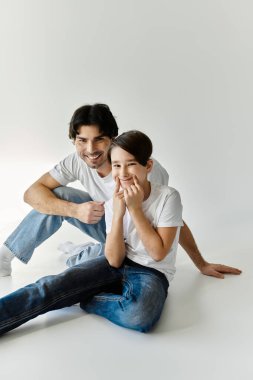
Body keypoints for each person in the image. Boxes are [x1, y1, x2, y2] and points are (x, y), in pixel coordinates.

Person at [0, 104, 241, 279]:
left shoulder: (145, 170)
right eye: (82, 140)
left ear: (113, 139)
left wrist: (201, 263)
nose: (90, 149)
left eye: (99, 140)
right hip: (108, 227)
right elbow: (31, 194)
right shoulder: (76, 161)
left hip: (137, 246)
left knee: (92, 266)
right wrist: (75, 210)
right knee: (60, 195)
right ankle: (4, 258)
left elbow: (173, 221)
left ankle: (84, 252)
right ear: (74, 141)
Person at [0, 130, 184, 335]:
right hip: (116, 261)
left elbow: (158, 254)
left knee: (138, 314)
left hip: (152, 272)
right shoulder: (115, 198)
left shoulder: (168, 197)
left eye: (130, 164)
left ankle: (84, 298)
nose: (122, 173)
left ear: (147, 166)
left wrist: (135, 209)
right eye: (116, 165)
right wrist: (118, 212)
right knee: (49, 287)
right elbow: (114, 260)